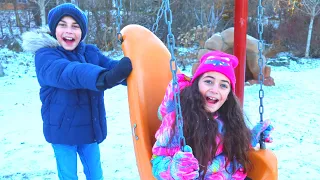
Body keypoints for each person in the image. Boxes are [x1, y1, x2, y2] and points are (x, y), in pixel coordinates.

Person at [22, 3, 132, 180]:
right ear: (53, 29)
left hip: (89, 129)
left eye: (75, 26)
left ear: (82, 32)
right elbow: (69, 72)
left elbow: (111, 67)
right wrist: (104, 77)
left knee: (96, 174)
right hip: (61, 132)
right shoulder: (46, 56)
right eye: (62, 25)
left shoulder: (91, 52)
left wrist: (131, 73)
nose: (69, 31)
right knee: (68, 175)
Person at [151, 51, 273, 179]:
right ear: (196, 85)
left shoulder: (228, 117)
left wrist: (251, 137)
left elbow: (230, 146)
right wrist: (174, 170)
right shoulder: (178, 121)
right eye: (209, 81)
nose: (215, 90)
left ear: (228, 95)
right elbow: (157, 161)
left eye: (223, 85)